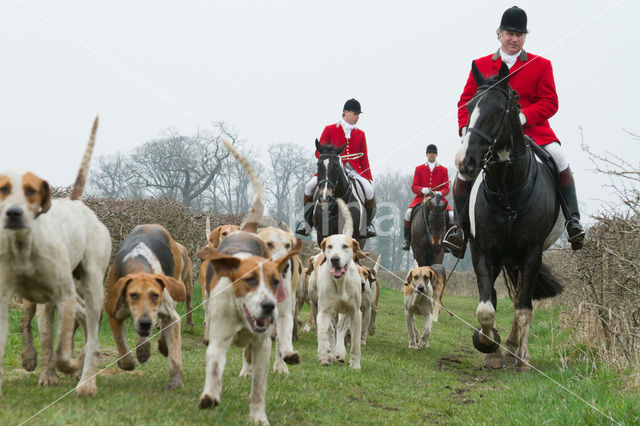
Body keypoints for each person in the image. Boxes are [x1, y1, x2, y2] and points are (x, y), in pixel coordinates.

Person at [443, 6, 585, 258]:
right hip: (489, 136)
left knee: (561, 160)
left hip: (534, 132)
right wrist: (467, 129)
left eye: (520, 34)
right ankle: (459, 231)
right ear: (499, 34)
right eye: (509, 33)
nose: (514, 38)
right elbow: (465, 101)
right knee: (464, 171)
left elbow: (550, 101)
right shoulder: (481, 65)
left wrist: (523, 117)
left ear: (524, 37)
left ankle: (573, 221)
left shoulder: (541, 65)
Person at [295, 98, 377, 238]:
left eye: (358, 114)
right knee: (309, 187)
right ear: (345, 112)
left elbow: (364, 158)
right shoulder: (330, 129)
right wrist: (332, 156)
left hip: (353, 171)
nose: (357, 117)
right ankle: (307, 223)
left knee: (369, 191)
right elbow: (318, 152)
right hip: (330, 170)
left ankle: (367, 225)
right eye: (355, 113)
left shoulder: (360, 134)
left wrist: (368, 177)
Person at [401, 144, 453, 250]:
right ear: (426, 154)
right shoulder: (419, 169)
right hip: (422, 198)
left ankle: (449, 241)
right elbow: (414, 186)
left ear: (437, 154)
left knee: (451, 215)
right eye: (429, 153)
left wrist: (440, 193)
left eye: (433, 153)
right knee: (408, 214)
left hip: (438, 200)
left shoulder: (443, 170)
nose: (431, 155)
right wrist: (422, 190)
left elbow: (446, 188)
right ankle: (407, 240)